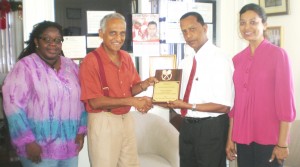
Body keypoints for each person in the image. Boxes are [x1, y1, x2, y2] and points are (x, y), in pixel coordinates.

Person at [2, 21, 87, 167]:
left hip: (69, 146)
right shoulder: (25, 67)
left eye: (57, 40)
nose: (52, 44)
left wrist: (81, 131)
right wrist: (27, 141)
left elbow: (82, 100)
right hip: (38, 148)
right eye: (47, 39)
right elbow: (12, 106)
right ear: (36, 41)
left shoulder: (71, 66)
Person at [79, 13, 157, 167]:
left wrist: (145, 84)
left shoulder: (126, 57)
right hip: (103, 120)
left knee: (131, 164)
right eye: (112, 32)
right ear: (101, 33)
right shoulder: (90, 61)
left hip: (126, 118)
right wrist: (133, 101)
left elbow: (130, 90)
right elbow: (95, 102)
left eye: (122, 33)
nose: (118, 38)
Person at [226, 3, 296, 167]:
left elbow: (286, 104)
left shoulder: (278, 55)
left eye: (253, 22)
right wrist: (231, 138)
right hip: (243, 140)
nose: (246, 27)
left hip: (270, 140)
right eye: (242, 22)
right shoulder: (237, 60)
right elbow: (235, 106)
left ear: (264, 24)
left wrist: (282, 143)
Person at [166, 12, 235, 167]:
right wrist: (164, 100)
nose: (188, 35)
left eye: (192, 29)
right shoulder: (185, 62)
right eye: (184, 31)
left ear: (205, 28)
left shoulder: (220, 59)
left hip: (211, 128)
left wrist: (188, 106)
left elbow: (224, 105)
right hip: (187, 127)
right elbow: (180, 98)